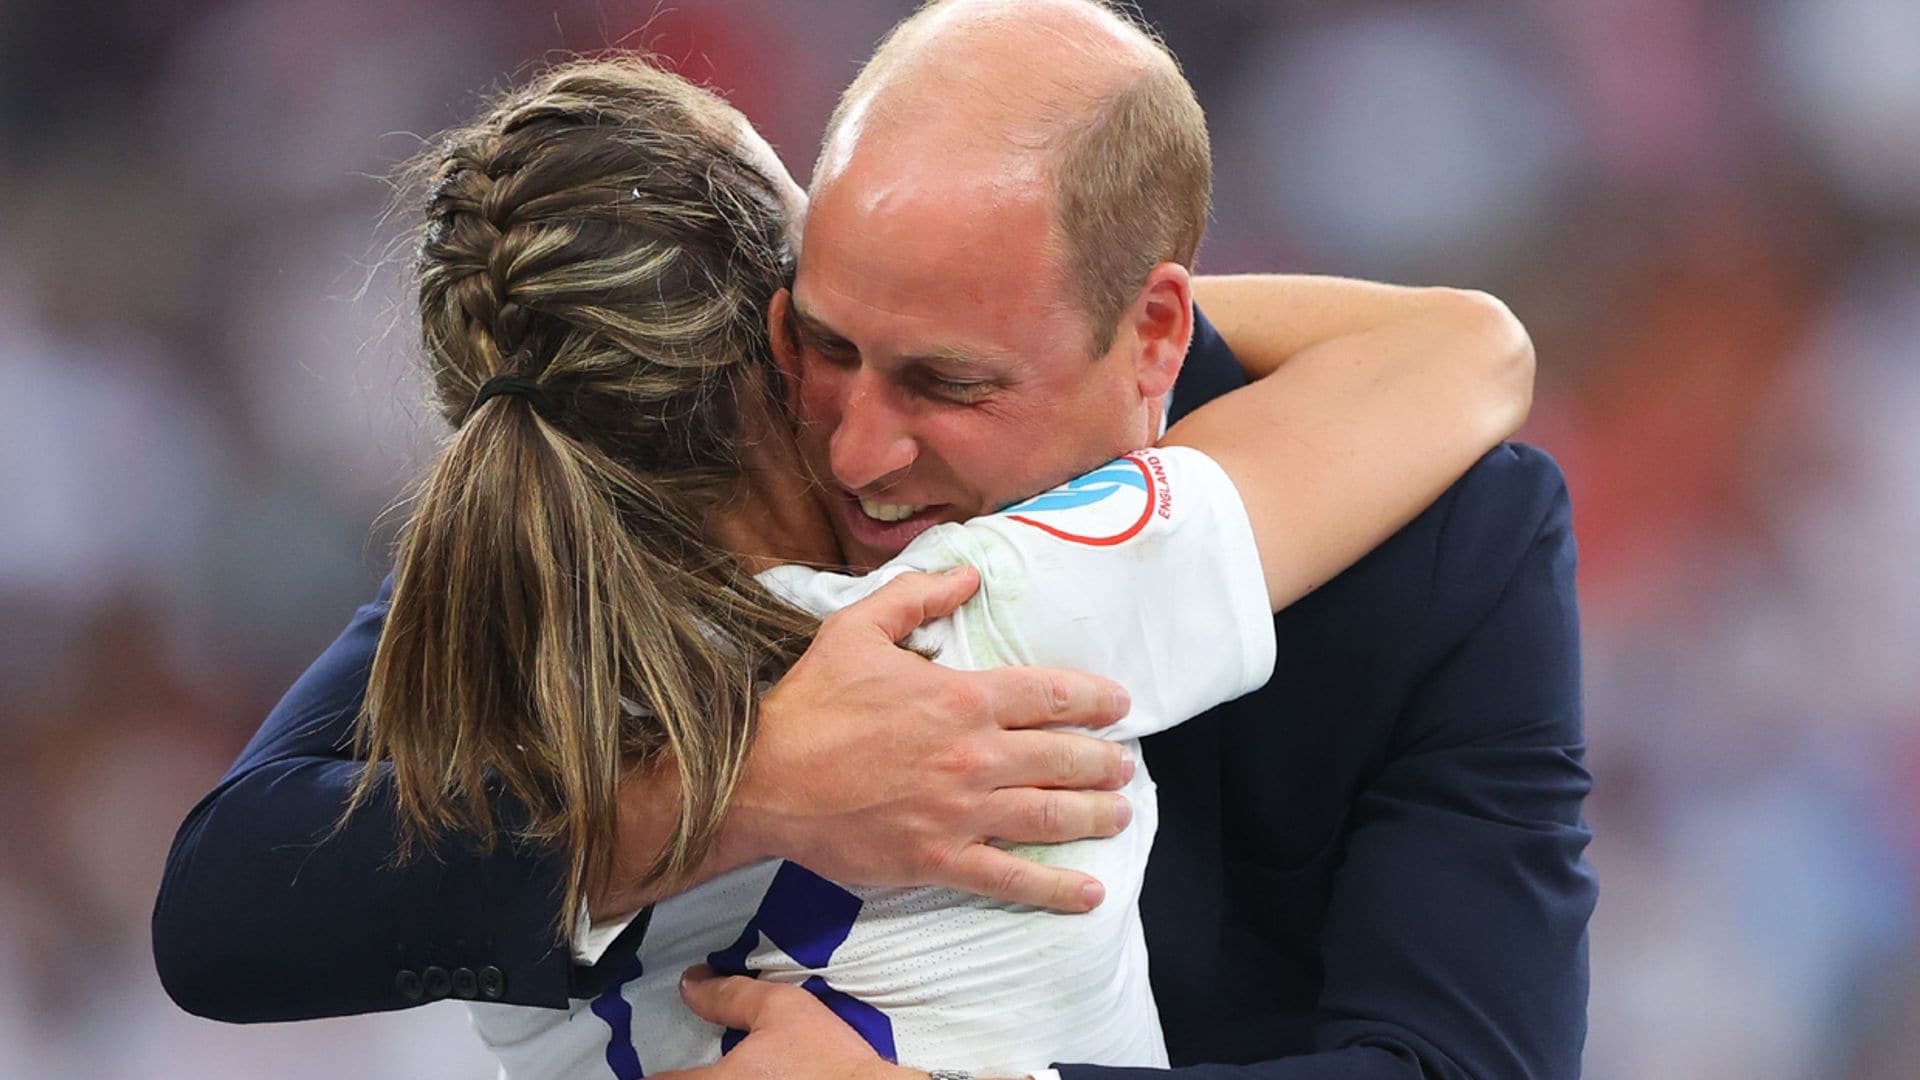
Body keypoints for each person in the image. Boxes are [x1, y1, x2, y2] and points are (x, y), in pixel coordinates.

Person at [156, 2, 1594, 1078]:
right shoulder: (658, 548)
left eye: (948, 377)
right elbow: (229, 897)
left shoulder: (1445, 540)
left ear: (1146, 327)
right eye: (822, 343)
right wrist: (738, 790)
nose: (859, 446)